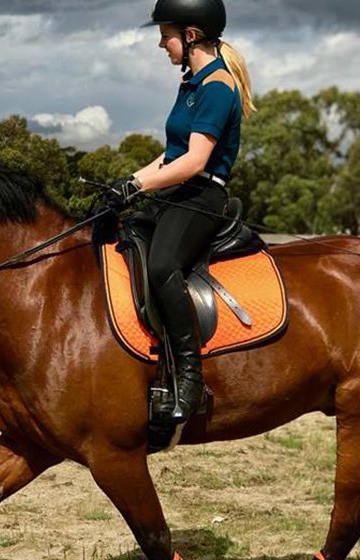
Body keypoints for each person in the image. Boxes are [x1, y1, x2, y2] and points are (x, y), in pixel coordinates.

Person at [107, 0, 256, 423]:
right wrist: (125, 184)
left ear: (190, 36)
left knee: (161, 269)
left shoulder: (218, 86)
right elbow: (170, 154)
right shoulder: (192, 83)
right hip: (176, 192)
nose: (160, 44)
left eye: (165, 34)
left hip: (201, 197)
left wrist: (138, 185)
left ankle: (190, 376)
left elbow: (194, 162)